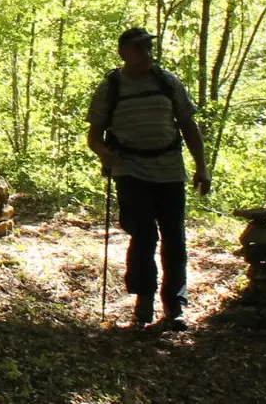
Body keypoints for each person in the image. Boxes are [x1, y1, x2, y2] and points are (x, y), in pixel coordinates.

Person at [86, 27, 212, 330]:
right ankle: (144, 301)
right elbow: (94, 136)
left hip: (169, 170)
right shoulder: (111, 87)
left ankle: (175, 306)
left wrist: (202, 166)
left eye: (148, 48)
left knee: (175, 239)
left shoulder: (167, 82)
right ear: (124, 52)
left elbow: (188, 126)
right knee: (143, 236)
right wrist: (105, 154)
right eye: (139, 48)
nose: (147, 54)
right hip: (130, 170)